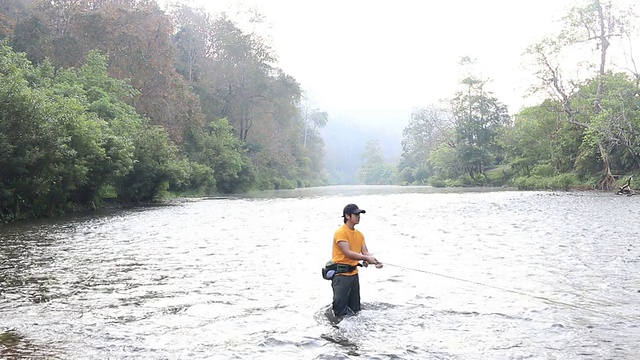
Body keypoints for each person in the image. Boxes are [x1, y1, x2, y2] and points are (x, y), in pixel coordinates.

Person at [330, 203, 380, 318]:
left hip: (354, 275)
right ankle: (338, 331)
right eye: (356, 214)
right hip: (341, 275)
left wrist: (374, 260)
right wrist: (366, 258)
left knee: (355, 310)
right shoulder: (340, 232)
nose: (358, 216)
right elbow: (348, 253)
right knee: (340, 310)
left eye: (359, 214)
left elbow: (365, 252)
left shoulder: (359, 234)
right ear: (347, 216)